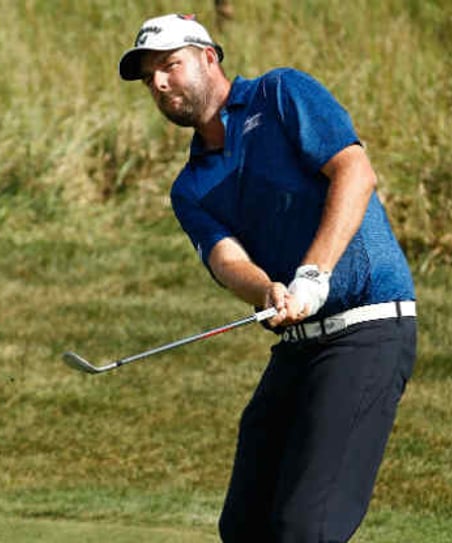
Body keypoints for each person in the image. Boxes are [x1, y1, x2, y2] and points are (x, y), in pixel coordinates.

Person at [117, 13, 418, 543]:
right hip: (298, 345)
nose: (159, 84)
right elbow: (225, 258)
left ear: (209, 57)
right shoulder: (191, 186)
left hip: (367, 329)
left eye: (169, 65)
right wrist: (266, 290)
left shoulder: (280, 94)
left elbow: (355, 172)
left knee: (306, 528)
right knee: (245, 526)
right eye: (149, 79)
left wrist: (312, 274)